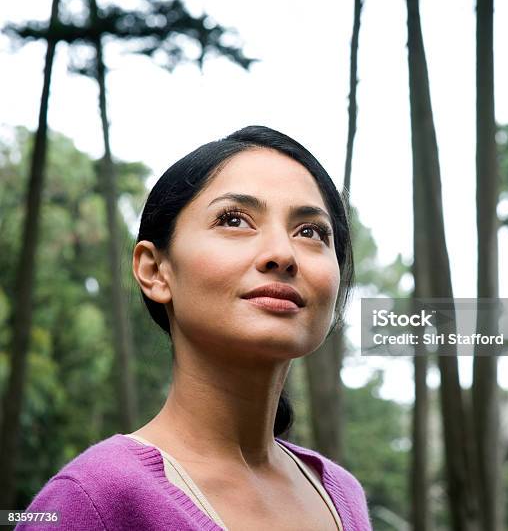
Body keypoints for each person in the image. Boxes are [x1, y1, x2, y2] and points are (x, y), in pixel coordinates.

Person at [19, 125, 372, 530]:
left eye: (310, 232)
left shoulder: (341, 495)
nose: (282, 254)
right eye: (234, 220)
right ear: (154, 271)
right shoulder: (93, 499)